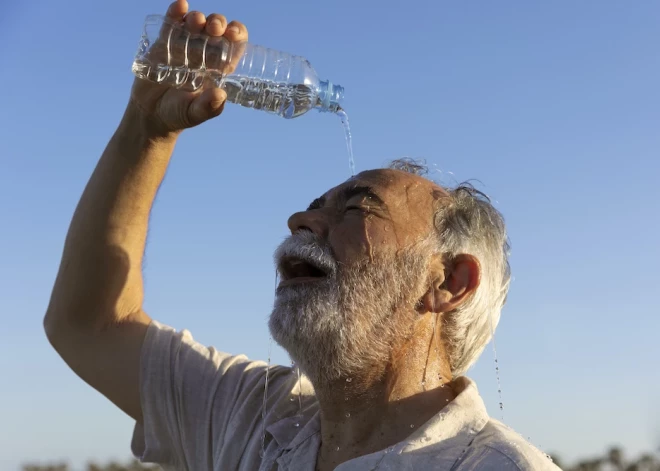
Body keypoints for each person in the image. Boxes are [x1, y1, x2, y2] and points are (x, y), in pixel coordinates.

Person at [44, 1, 561, 470]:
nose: (299, 220)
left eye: (360, 206)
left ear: (448, 282)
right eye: (313, 207)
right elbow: (89, 324)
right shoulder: (253, 416)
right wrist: (146, 128)